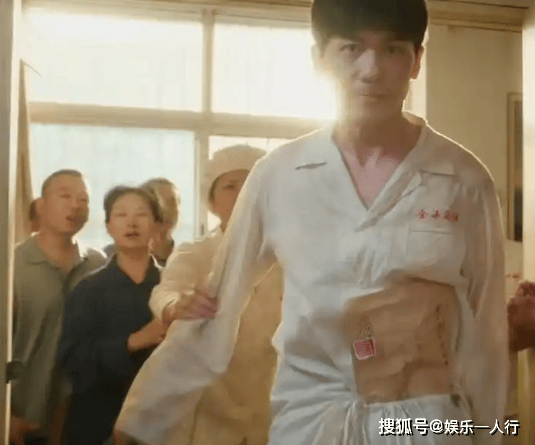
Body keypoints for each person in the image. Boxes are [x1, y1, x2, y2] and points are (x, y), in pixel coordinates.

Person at [114, 0, 508, 444]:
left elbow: (487, 335)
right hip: (311, 422)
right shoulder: (280, 175)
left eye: (393, 49)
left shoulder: (462, 179)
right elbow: (214, 310)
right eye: (351, 48)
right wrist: (139, 423)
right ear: (318, 59)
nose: (371, 69)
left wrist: (490, 433)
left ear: (417, 61)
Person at [116, 146, 283, 445]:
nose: (242, 192)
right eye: (230, 186)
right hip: (210, 410)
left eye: (251, 182)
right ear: (212, 202)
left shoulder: (289, 255)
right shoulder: (197, 252)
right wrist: (175, 306)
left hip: (271, 407)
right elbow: (166, 291)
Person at [56, 186, 169, 445]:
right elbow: (72, 362)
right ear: (108, 226)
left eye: (141, 214)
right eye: (121, 214)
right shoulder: (88, 289)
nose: (131, 222)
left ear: (156, 225)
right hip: (97, 423)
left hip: (162, 423)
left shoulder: (172, 286)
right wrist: (133, 341)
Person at [10, 169, 107, 445]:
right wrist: (6, 417)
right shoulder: (12, 264)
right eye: (65, 196)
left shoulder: (98, 265)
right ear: (40, 205)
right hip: (22, 416)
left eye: (83, 200)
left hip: (81, 420)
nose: (75, 205)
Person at [141, 178, 181, 266]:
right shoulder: (114, 259)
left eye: (172, 203)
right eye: (157, 204)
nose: (165, 209)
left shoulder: (190, 260)